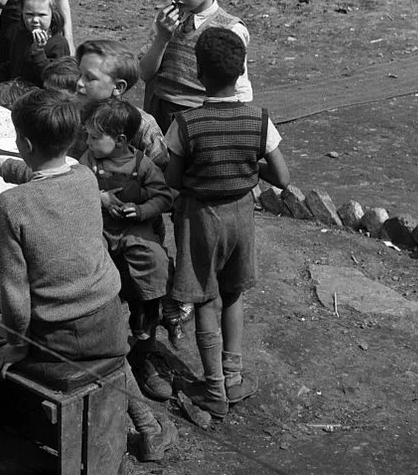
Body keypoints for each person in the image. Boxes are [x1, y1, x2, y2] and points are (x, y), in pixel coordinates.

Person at [0, 90, 178, 463]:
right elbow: (38, 174)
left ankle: (25, 426)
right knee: (109, 354)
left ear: (24, 142)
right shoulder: (84, 176)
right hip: (110, 320)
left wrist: (16, 343)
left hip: (58, 338)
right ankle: (150, 427)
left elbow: (14, 291)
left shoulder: (11, 205)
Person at [164, 28, 290, 417]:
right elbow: (283, 178)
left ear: (198, 74)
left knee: (204, 296)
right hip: (241, 214)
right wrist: (248, 167)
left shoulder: (185, 123)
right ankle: (233, 377)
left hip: (201, 217)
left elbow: (171, 180)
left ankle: (213, 389)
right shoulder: (258, 119)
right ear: (242, 71)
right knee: (233, 293)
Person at [81, 100, 171, 347]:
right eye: (87, 136)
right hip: (100, 226)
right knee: (88, 258)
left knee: (155, 259)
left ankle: (149, 311)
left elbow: (163, 197)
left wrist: (142, 210)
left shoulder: (143, 165)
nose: (88, 142)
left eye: (94, 137)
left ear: (120, 140)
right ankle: (98, 324)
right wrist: (100, 197)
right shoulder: (90, 160)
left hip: (133, 227)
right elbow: (79, 183)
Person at [139, 0, 252, 136]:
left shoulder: (230, 28)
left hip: (201, 119)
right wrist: (162, 38)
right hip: (161, 114)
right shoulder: (166, 20)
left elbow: (239, 88)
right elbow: (145, 73)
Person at [74, 39, 165, 164]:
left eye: (90, 78)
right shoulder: (70, 115)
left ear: (118, 87)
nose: (79, 83)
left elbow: (161, 171)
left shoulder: (142, 126)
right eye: (80, 74)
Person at [0, 0, 68, 87]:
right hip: (17, 91)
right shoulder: (20, 35)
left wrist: (38, 53)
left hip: (41, 97)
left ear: (53, 15)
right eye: (29, 14)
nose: (35, 20)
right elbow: (15, 66)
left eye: (41, 15)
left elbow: (54, 79)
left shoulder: (58, 44)